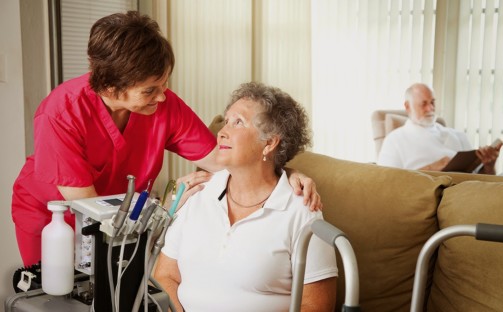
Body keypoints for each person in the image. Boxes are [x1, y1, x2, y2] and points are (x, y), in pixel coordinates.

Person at [11, 11, 321, 267]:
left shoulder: (163, 104)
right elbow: (92, 211)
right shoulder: (61, 113)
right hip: (54, 218)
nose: (161, 97)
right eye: (149, 90)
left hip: (120, 217)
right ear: (109, 87)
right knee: (57, 297)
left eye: (163, 84)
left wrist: (285, 172)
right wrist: (168, 207)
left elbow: (221, 159)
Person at [153, 82, 338, 312]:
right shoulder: (197, 193)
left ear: (269, 143)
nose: (222, 131)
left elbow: (316, 306)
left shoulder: (302, 209)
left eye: (238, 122)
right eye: (227, 121)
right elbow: (165, 275)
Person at [377, 83, 501, 174]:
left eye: (432, 102)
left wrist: (489, 165)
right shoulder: (395, 140)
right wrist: (433, 168)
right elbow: (387, 183)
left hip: (468, 192)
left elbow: (481, 181)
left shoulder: (458, 135)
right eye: (424, 104)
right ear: (408, 106)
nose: (430, 108)